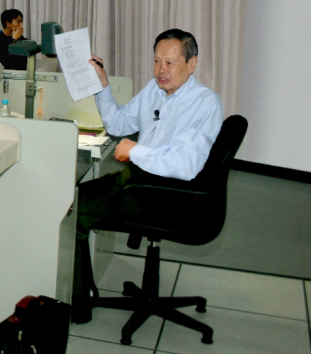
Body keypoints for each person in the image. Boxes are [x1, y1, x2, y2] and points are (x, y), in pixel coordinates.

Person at [71, 29, 224, 323]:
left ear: (191, 63)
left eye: (170, 63)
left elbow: (186, 164)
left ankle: (80, 305)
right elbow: (118, 125)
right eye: (156, 61)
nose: (161, 70)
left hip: (167, 195)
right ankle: (83, 292)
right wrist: (102, 86)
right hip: (138, 181)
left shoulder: (205, 104)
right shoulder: (155, 90)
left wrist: (136, 150)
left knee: (74, 208)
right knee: (76, 197)